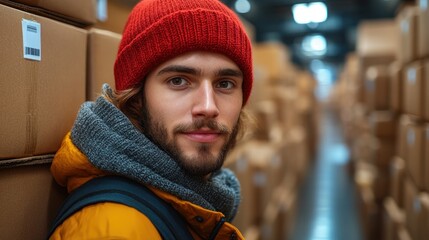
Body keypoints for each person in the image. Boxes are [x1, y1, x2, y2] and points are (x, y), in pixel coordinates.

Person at [49, 0, 253, 239]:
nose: (208, 107)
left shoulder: (197, 200)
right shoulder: (115, 230)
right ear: (136, 98)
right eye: (178, 81)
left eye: (225, 84)